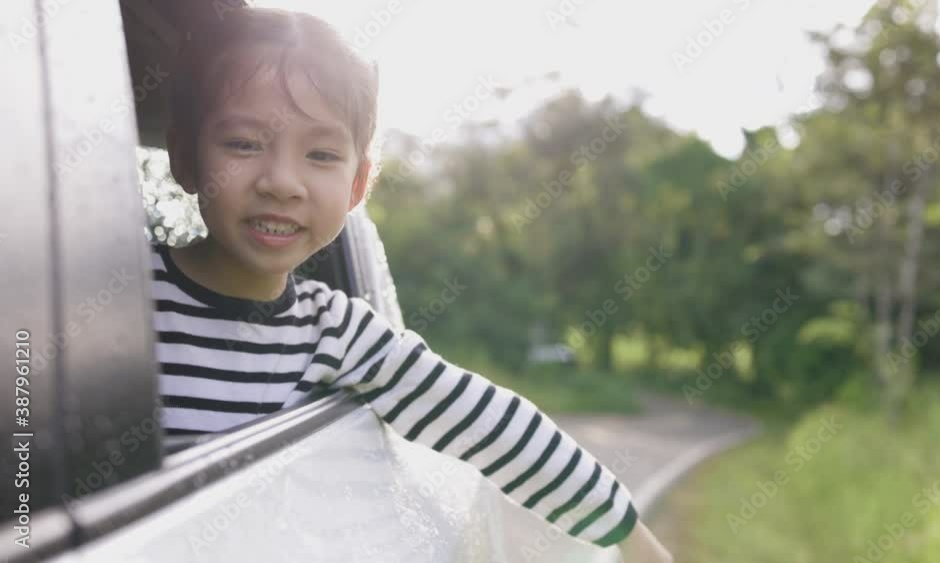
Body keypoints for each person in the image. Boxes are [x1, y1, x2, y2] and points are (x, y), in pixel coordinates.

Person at [152, 6, 671, 561]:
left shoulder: (340, 334)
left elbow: (494, 426)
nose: (282, 182)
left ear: (356, 187)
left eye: (321, 155)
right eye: (244, 144)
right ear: (184, 157)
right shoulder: (118, 307)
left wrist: (629, 534)